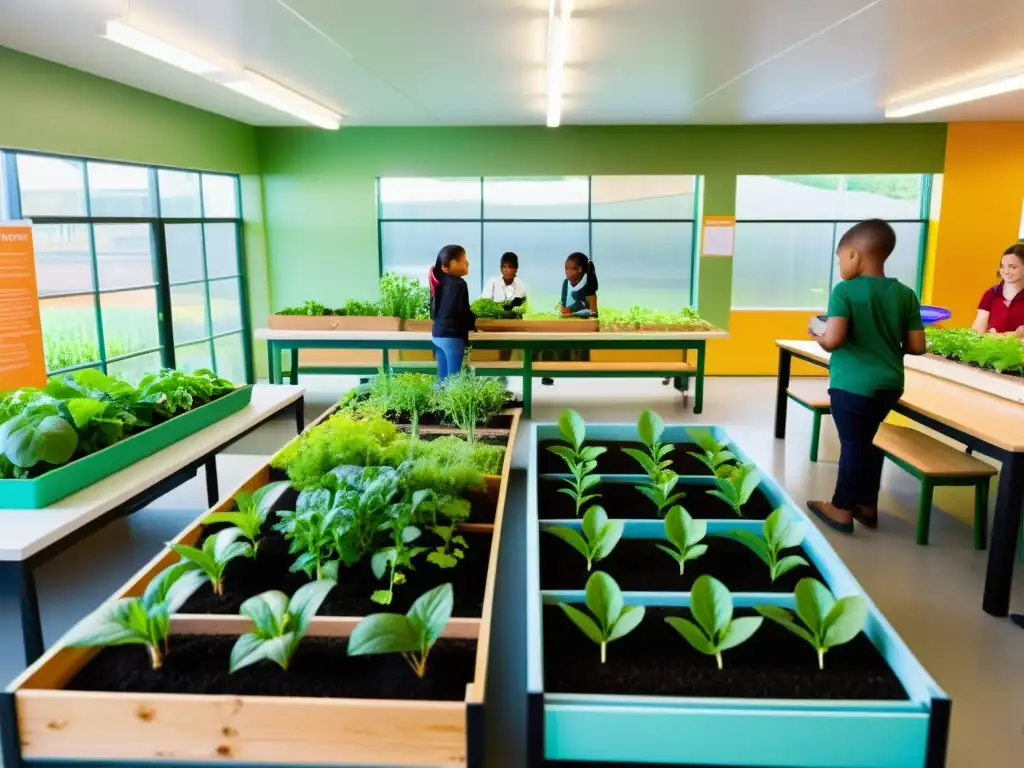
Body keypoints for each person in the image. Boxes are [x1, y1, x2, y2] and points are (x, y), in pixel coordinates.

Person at [806, 219, 927, 533]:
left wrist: (817, 334)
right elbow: (917, 345)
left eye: (840, 259)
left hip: (852, 384)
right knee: (870, 441)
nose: (839, 266)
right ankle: (866, 505)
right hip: (889, 384)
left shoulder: (845, 291)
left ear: (854, 255)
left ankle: (841, 507)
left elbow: (833, 340)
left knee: (853, 444)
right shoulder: (905, 293)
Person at [541, 252, 598, 386]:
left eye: (571, 269)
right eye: (566, 268)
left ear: (580, 270)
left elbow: (593, 312)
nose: (568, 272)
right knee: (546, 343)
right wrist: (561, 308)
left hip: (583, 327)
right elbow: (563, 302)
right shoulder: (566, 284)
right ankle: (546, 372)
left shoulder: (589, 286)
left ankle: (577, 373)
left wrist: (571, 313)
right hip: (566, 324)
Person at [430, 244, 475, 381]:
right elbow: (460, 310)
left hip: (437, 334)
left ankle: (437, 401)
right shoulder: (459, 284)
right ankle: (450, 402)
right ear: (449, 265)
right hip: (453, 336)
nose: (467, 263)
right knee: (454, 378)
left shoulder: (439, 283)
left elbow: (434, 310)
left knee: (442, 378)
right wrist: (472, 324)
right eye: (463, 260)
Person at [971, 244, 1024, 337]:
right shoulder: (991, 294)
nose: (1006, 271)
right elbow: (978, 329)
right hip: (994, 347)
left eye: (1013, 267)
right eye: (1002, 266)